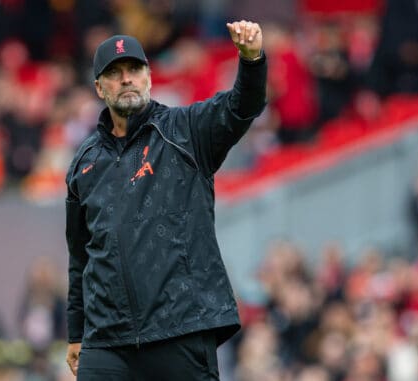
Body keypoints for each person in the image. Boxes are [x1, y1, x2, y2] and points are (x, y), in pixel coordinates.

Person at [64, 20, 267, 380]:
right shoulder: (84, 163)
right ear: (99, 87)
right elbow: (81, 257)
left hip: (180, 330)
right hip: (106, 340)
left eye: (134, 69)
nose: (126, 79)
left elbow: (242, 106)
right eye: (115, 73)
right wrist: (76, 333)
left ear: (149, 77)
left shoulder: (186, 130)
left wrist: (251, 60)